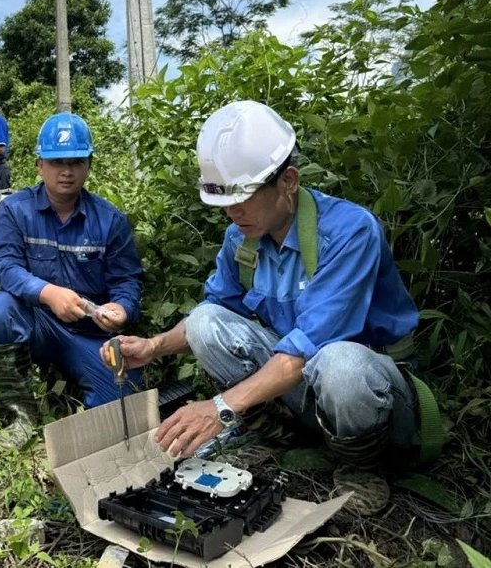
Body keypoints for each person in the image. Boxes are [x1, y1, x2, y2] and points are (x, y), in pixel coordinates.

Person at [111, 100, 426, 516]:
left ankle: (362, 465)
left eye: (243, 197)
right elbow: (211, 315)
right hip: (303, 390)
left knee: (340, 362)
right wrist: (152, 347)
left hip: (373, 399)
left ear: (288, 181)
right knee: (205, 321)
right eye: (224, 199)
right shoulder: (242, 240)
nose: (231, 211)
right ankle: (271, 435)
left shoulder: (349, 233)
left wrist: (220, 408)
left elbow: (307, 350)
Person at [0, 113, 143, 446]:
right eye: (56, 162)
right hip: (37, 323)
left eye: (76, 162)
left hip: (89, 334)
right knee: (0, 309)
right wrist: (47, 292)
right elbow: (3, 267)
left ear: (89, 164)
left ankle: (80, 383)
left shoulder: (110, 221)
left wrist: (122, 309)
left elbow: (127, 282)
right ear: (40, 164)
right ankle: (21, 412)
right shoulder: (14, 210)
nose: (66, 171)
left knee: (126, 396)